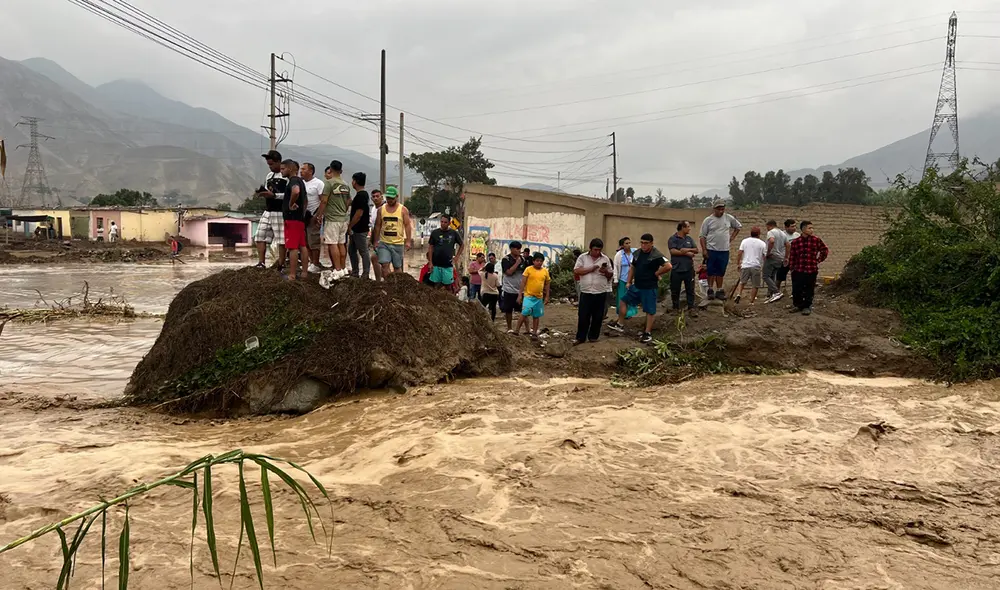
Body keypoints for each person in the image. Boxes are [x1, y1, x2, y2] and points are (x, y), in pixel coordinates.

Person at [608, 233, 672, 344]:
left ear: (651, 243)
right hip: (637, 286)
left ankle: (647, 333)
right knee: (623, 301)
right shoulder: (637, 253)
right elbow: (633, 267)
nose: (643, 245)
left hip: (649, 287)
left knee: (650, 310)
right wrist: (628, 281)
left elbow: (668, 266)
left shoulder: (656, 254)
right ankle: (620, 324)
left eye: (646, 243)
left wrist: (657, 273)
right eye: (642, 243)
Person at [573, 238, 614, 345]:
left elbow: (610, 275)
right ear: (590, 248)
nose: (597, 252)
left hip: (600, 291)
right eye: (595, 250)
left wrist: (605, 272)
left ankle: (593, 336)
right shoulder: (582, 258)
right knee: (583, 315)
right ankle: (581, 337)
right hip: (586, 291)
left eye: (599, 250)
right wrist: (592, 268)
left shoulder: (605, 259)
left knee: (598, 316)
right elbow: (577, 270)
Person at [699, 200, 742, 301]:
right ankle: (710, 289)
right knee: (710, 270)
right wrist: (704, 250)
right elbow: (702, 236)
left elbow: (738, 227)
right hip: (711, 249)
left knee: (721, 270)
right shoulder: (708, 220)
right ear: (714, 209)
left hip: (724, 250)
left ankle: (719, 290)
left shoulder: (728, 218)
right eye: (719, 209)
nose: (721, 211)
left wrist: (731, 238)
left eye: (722, 209)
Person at [787, 221, 829, 315]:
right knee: (797, 289)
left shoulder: (816, 240)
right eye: (809, 228)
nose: (812, 230)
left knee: (809, 289)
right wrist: (792, 268)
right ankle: (798, 305)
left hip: (811, 269)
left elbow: (824, 250)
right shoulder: (796, 242)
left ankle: (807, 306)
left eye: (812, 228)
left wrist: (818, 260)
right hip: (799, 269)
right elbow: (792, 256)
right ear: (803, 229)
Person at [254, 150, 287, 269]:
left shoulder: (286, 177)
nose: (270, 167)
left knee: (281, 239)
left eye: (272, 164)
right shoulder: (269, 176)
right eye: (269, 165)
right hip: (268, 210)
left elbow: (289, 195)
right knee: (259, 235)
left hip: (280, 211)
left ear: (279, 162)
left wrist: (275, 196)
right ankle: (261, 262)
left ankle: (281, 264)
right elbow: (268, 189)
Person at [372, 186, 412, 278]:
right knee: (384, 265)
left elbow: (407, 225)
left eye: (392, 198)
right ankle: (388, 284)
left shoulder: (403, 210)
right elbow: (377, 226)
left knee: (397, 267)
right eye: (388, 198)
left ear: (396, 197)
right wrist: (375, 241)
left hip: (398, 243)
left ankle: (398, 286)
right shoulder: (381, 210)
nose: (389, 200)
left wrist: (408, 241)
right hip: (384, 243)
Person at [318, 161, 351, 272]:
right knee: (341, 243)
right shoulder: (345, 185)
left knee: (332, 244)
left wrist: (319, 215)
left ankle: (337, 269)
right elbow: (349, 200)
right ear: (341, 170)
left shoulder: (329, 183)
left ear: (331, 169)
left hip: (332, 219)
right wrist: (344, 211)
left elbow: (323, 201)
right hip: (343, 219)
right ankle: (343, 268)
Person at [280, 159, 309, 281]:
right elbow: (306, 200)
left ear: (290, 169)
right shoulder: (301, 182)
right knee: (302, 246)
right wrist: (301, 212)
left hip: (292, 219)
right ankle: (304, 273)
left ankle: (292, 275)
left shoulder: (294, 181)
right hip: (300, 219)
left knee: (292, 247)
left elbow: (295, 191)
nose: (281, 171)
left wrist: (291, 204)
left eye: (283, 169)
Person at [515, 252, 550, 339]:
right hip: (528, 296)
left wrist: (547, 296)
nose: (539, 263)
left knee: (536, 315)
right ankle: (516, 330)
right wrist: (520, 295)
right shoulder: (528, 269)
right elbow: (523, 283)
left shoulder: (545, 271)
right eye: (537, 261)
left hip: (539, 297)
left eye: (541, 261)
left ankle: (534, 333)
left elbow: (547, 284)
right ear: (533, 261)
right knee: (524, 313)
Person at [668, 221, 699, 315]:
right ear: (682, 227)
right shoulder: (673, 239)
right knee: (675, 290)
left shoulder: (689, 239)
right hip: (677, 269)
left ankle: (691, 308)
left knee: (690, 289)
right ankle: (675, 308)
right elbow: (673, 251)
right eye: (688, 226)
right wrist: (686, 253)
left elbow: (696, 250)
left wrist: (687, 249)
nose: (689, 228)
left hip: (688, 269)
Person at [300, 163, 325, 273]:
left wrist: (318, 215)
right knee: (305, 241)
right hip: (303, 216)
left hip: (314, 215)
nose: (301, 171)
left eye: (304, 169)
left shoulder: (318, 183)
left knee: (313, 240)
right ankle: (310, 262)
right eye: (301, 169)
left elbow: (323, 201)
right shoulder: (300, 183)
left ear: (310, 171)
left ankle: (316, 263)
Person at [427, 213, 463, 289]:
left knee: (448, 286)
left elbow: (462, 245)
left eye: (445, 222)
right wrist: (430, 262)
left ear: (449, 223)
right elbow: (430, 247)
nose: (443, 224)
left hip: (448, 265)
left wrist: (457, 257)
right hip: (436, 264)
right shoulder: (435, 233)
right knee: (436, 285)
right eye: (442, 222)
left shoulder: (454, 233)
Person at [500, 241, 528, 333]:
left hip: (520, 290)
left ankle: (527, 329)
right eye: (517, 249)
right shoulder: (506, 259)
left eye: (520, 249)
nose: (519, 251)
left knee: (523, 310)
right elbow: (508, 272)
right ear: (512, 249)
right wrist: (517, 263)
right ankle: (509, 328)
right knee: (508, 310)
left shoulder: (523, 260)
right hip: (509, 289)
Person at [347, 172, 371, 278]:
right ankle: (355, 272)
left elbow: (359, 213)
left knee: (363, 251)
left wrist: (350, 226)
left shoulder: (361, 196)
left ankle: (365, 273)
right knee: (351, 250)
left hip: (359, 229)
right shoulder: (361, 196)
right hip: (357, 229)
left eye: (353, 180)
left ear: (355, 182)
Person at [734, 226, 767, 305]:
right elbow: (764, 256)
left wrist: (738, 263)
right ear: (759, 234)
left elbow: (739, 253)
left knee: (742, 282)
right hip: (756, 266)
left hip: (745, 265)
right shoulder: (762, 243)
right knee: (755, 285)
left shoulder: (744, 241)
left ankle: (739, 294)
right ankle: (751, 301)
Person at [763, 220, 789, 303]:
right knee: (772, 276)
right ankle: (771, 295)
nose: (766, 229)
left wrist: (768, 253)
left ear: (769, 226)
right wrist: (786, 257)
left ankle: (776, 292)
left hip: (772, 256)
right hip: (780, 258)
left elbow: (771, 241)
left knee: (765, 276)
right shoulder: (782, 233)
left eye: (767, 227)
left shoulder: (771, 232)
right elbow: (788, 245)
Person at [775, 219, 800, 294]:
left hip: (795, 260)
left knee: (796, 276)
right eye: (792, 226)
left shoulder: (797, 235)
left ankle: (795, 293)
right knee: (779, 277)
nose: (794, 228)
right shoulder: (781, 235)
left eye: (795, 226)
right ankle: (776, 292)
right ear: (786, 227)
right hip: (784, 259)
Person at [612, 237, 633, 316]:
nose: (628, 245)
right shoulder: (619, 255)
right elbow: (616, 267)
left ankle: (629, 314)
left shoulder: (634, 252)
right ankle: (621, 314)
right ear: (622, 245)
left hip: (632, 280)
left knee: (631, 297)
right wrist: (615, 280)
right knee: (622, 298)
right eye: (626, 243)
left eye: (629, 243)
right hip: (622, 279)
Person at [368, 190, 385, 281]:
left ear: (382, 197)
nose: (375, 198)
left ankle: (383, 280)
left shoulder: (384, 208)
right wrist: (372, 240)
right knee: (375, 259)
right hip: (377, 239)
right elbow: (374, 226)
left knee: (378, 259)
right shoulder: (374, 209)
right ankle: (379, 280)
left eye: (377, 196)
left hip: (385, 239)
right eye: (373, 196)